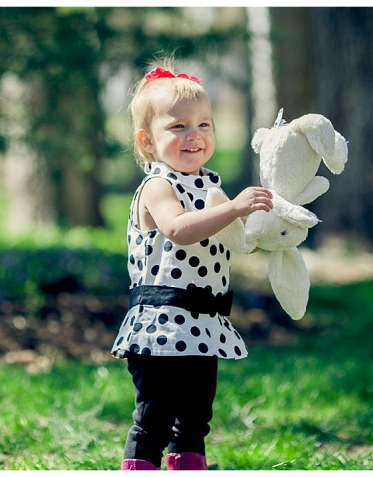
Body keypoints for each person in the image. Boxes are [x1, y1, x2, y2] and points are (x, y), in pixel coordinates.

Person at [111, 63, 273, 470]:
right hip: (161, 326)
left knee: (196, 419)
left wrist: (256, 231)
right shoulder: (158, 186)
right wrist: (234, 208)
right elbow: (180, 229)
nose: (194, 135)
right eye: (178, 127)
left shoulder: (209, 186)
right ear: (147, 142)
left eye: (204, 124)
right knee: (155, 417)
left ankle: (188, 464)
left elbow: (227, 239)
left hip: (203, 325)